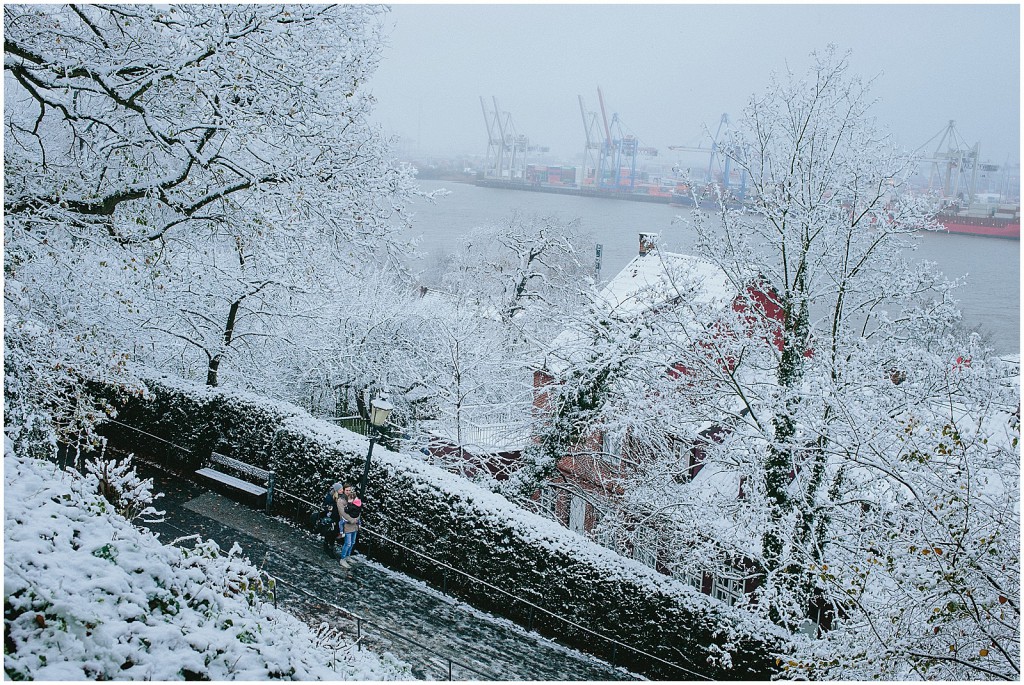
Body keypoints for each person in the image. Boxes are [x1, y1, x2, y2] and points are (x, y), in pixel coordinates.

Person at [337, 484, 362, 567]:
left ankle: (348, 556)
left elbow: (358, 510)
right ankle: (342, 559)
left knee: (352, 542)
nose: (348, 492)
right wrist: (352, 520)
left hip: (354, 525)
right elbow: (342, 513)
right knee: (347, 543)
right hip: (347, 525)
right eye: (346, 490)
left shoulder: (353, 498)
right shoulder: (341, 500)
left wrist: (357, 519)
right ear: (344, 490)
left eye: (349, 490)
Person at [320, 482, 345, 560]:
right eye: (340, 489)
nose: (342, 491)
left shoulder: (338, 497)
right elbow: (327, 508)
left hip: (337, 519)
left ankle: (329, 546)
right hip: (332, 519)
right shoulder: (331, 498)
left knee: (333, 534)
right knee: (330, 533)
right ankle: (328, 546)